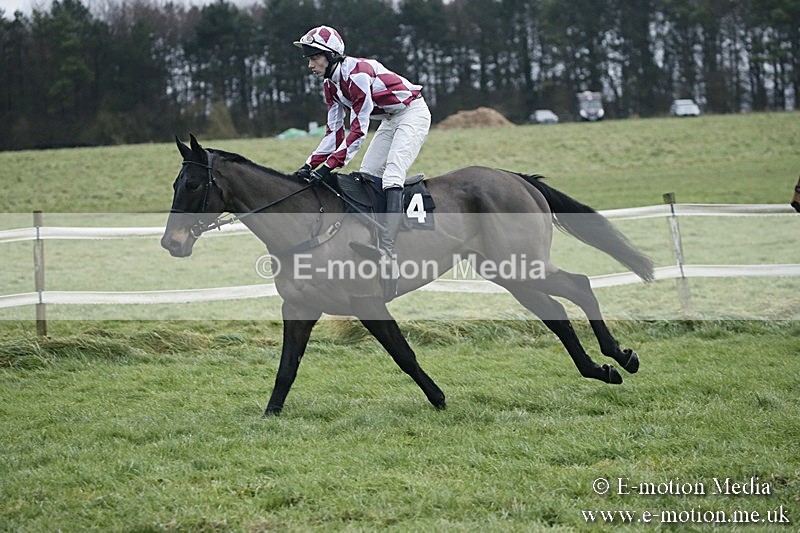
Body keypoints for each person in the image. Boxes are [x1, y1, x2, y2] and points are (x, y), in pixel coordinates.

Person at [292, 25, 431, 299]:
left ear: (331, 56)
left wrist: (329, 167)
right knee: (367, 173)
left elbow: (358, 131)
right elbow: (334, 132)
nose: (310, 64)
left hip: (412, 113)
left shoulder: (358, 74)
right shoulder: (330, 84)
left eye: (314, 57)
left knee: (392, 174)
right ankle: (376, 233)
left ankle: (388, 247)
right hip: (391, 118)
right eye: (308, 58)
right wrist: (309, 165)